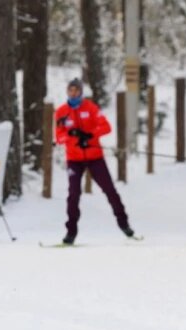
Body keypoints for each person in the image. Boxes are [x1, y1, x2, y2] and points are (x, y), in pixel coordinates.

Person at [54, 78, 136, 245]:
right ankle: (70, 232)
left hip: (94, 157)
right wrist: (72, 136)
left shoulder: (90, 108)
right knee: (73, 195)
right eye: (70, 90)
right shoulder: (61, 111)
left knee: (110, 190)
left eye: (76, 90)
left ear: (81, 92)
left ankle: (124, 224)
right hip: (74, 160)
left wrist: (90, 135)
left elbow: (106, 127)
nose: (73, 93)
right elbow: (59, 136)